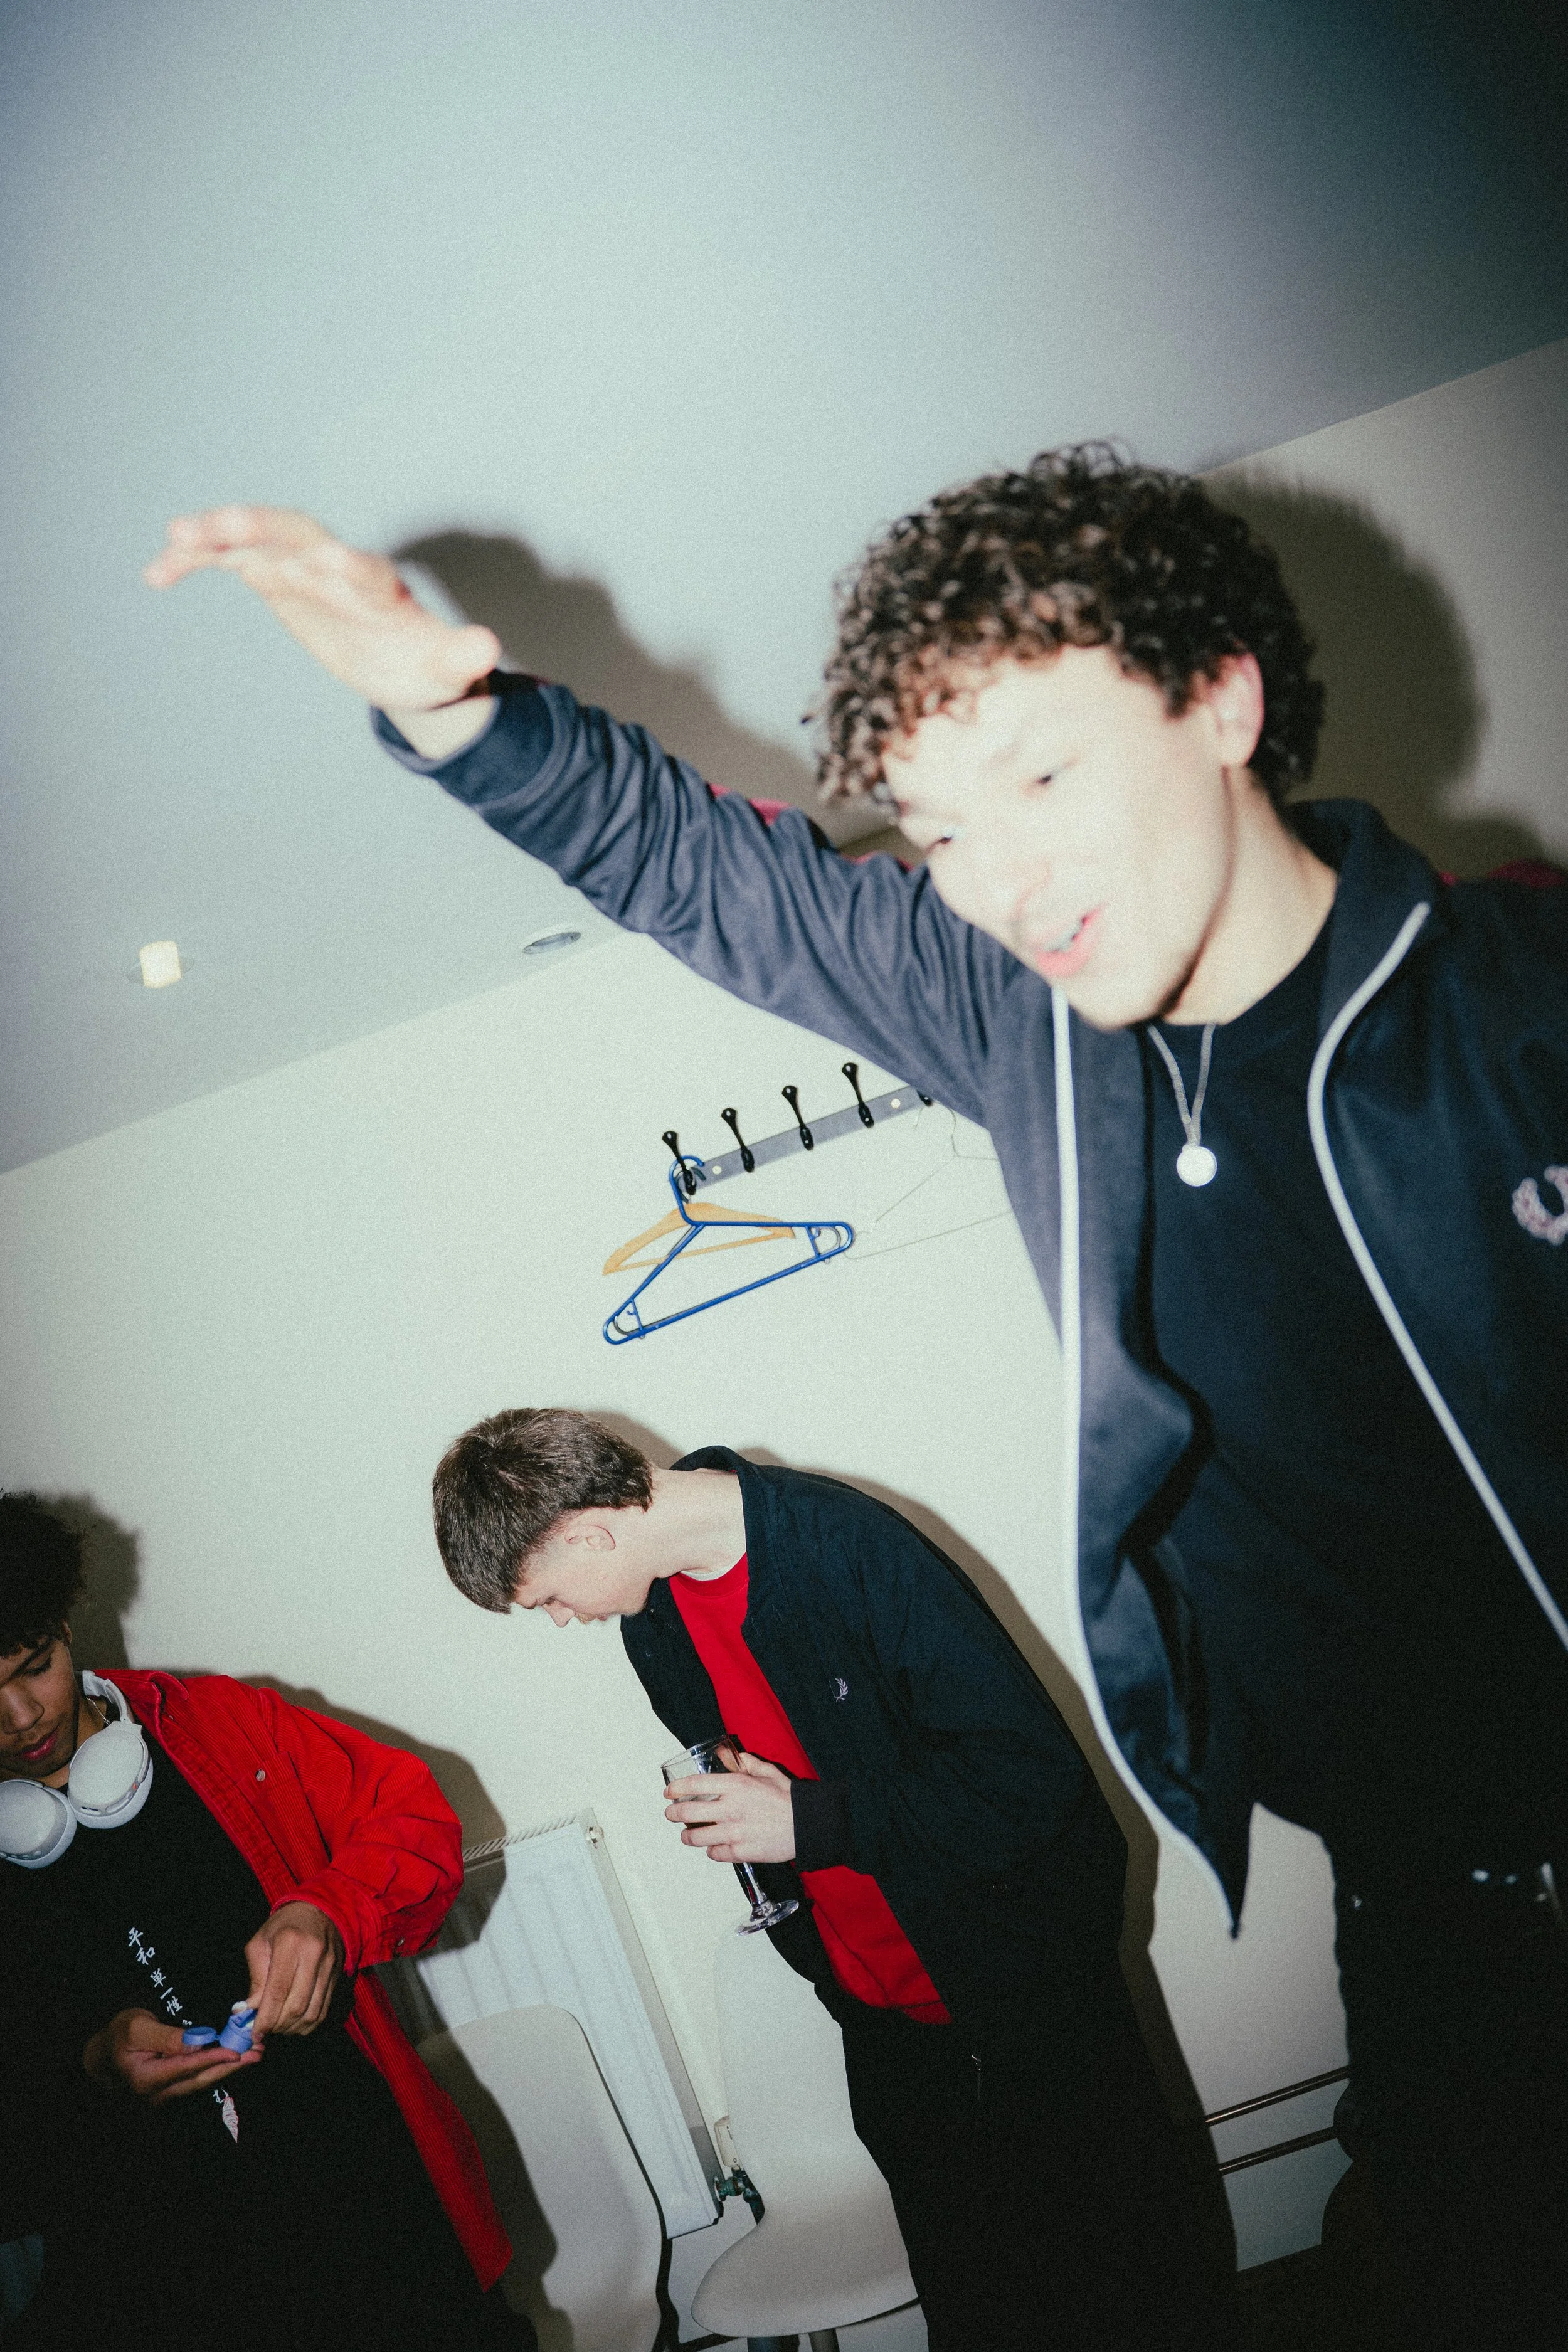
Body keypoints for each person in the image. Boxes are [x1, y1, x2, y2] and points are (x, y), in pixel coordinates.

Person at [146, 452, 1568, 2346]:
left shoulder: (1522, 995)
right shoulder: (1033, 1036)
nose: (1000, 882)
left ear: (1220, 699)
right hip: (1432, 1913)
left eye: (1039, 777)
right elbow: (709, 871)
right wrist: (458, 715)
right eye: (938, 826)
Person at [432, 1406, 1231, 2350]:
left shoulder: (849, 1546)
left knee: (1140, 2295)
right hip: (885, 2027)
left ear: (589, 1532)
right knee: (981, 2314)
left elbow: (1033, 1783)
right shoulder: (656, 1624)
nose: (564, 1620)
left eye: (548, 1598)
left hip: (1030, 1996)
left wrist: (808, 1820)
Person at [0, 1491, 534, 2352]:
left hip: (373, 2210)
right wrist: (93, 2066)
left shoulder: (213, 1723)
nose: (22, 1716)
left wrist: (329, 1910)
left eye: (34, 1666)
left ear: (66, 1628)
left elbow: (413, 1818)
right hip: (164, 2277)